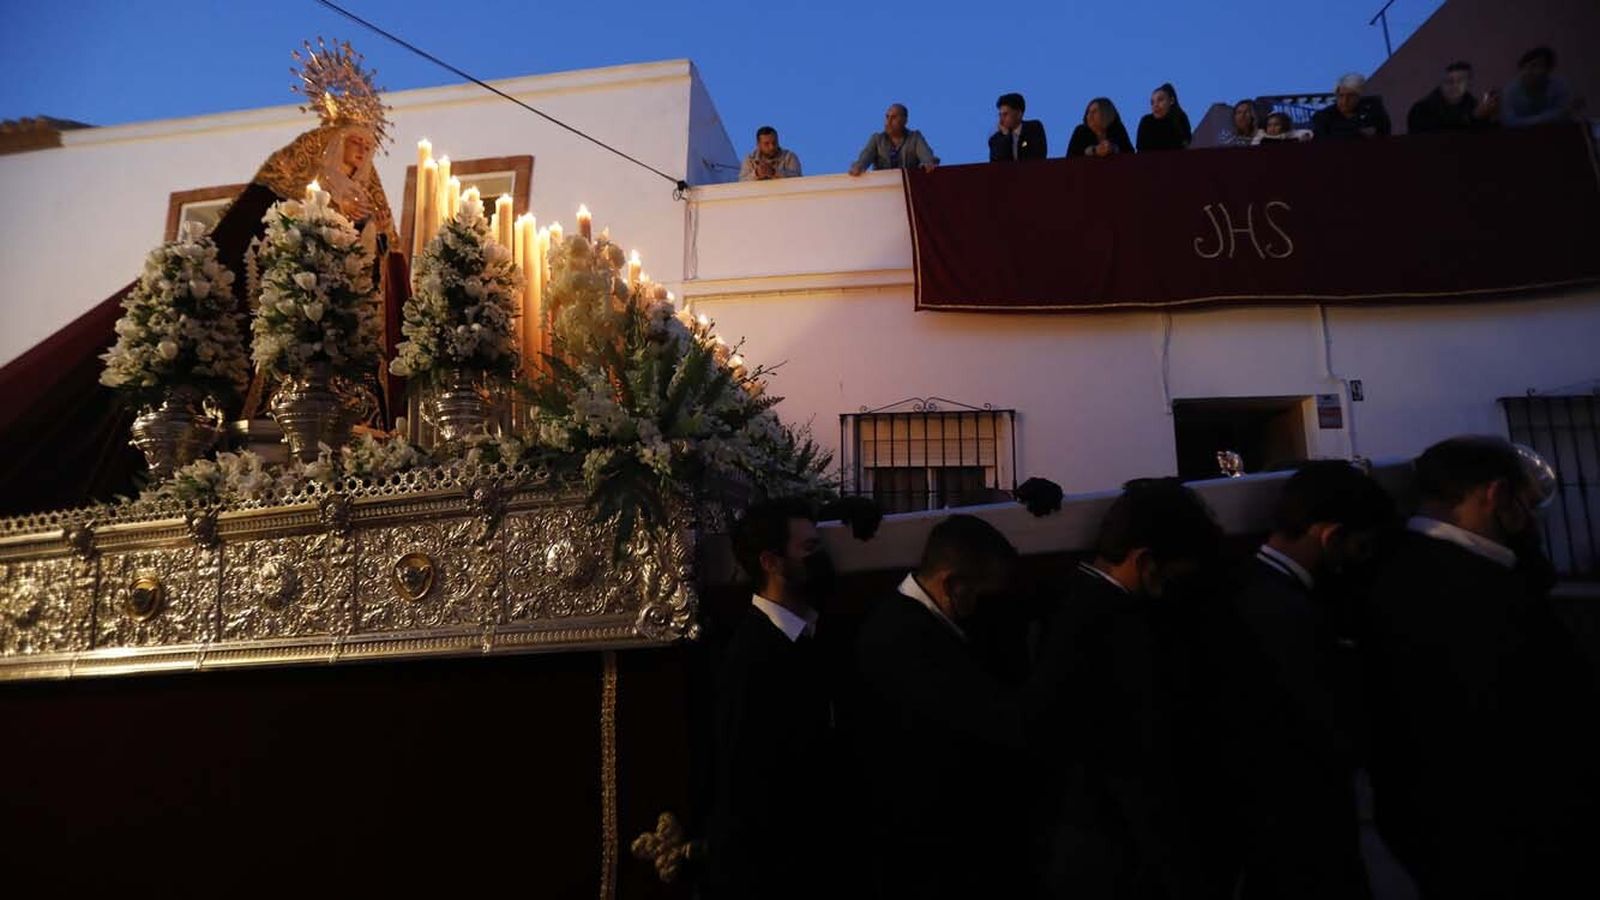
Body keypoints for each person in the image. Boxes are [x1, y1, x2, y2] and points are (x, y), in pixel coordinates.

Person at [1363, 436, 1600, 897]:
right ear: (1494, 494)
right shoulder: (1475, 589)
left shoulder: (1394, 570)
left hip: (1437, 829)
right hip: (1513, 840)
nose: (1531, 520)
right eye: (1527, 505)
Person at [1030, 478, 1223, 898]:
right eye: (1177, 576)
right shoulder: (1121, 627)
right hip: (1113, 849)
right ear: (1145, 560)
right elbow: (1137, 761)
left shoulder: (1070, 598)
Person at [1220, 461, 1394, 899]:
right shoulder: (1290, 612)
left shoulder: (1244, 587)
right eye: (1360, 547)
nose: (1361, 560)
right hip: (1299, 824)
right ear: (1330, 535)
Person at [854, 514, 1030, 900]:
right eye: (984, 594)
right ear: (952, 584)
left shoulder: (909, 625)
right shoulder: (902, 640)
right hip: (925, 856)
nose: (990, 607)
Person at [707, 498, 840, 899]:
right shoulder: (751, 656)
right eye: (810, 550)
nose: (821, 561)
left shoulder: (811, 635)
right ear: (771, 562)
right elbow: (746, 782)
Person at [1407, 61, 1499, 134]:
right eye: (1449, 81)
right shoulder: (1422, 109)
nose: (1454, 85)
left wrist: (1490, 116)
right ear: (1441, 83)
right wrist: (1473, 117)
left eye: (1460, 80)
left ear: (1469, 84)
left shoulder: (1473, 105)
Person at [1501, 46, 1582, 128]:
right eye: (1525, 67)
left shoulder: (1559, 86)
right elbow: (1510, 122)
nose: (1528, 71)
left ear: (1548, 69)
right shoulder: (1511, 91)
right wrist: (1550, 117)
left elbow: (1566, 116)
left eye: (1536, 65)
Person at [849, 103, 939, 175]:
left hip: (908, 187)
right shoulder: (877, 139)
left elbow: (926, 156)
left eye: (894, 117)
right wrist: (859, 166)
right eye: (887, 117)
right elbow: (866, 156)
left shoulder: (915, 138)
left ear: (905, 121)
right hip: (884, 188)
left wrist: (929, 163)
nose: (888, 122)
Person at [1311, 73, 1392, 140]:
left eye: (1351, 96)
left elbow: (1385, 134)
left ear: (1359, 96)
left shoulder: (1373, 110)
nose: (1345, 100)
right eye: (1341, 96)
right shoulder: (1323, 117)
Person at [1065, 97, 1135, 158]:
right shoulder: (1080, 131)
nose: (1089, 116)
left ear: (1107, 113)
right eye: (1088, 112)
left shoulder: (1118, 129)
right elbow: (1071, 157)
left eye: (1094, 111)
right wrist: (1094, 150)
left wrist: (1113, 148)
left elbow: (1130, 154)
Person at [989, 91, 1048, 161]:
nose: (1001, 120)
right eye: (1000, 115)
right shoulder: (995, 140)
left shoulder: (1034, 129)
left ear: (1019, 114)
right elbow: (998, 164)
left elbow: (1038, 156)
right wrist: (1006, 136)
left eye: (1005, 114)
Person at [1136, 82, 1192, 152]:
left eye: (1160, 100)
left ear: (1171, 101)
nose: (1155, 105)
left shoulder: (1180, 119)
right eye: (1152, 102)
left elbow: (1185, 145)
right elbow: (1140, 150)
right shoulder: (1146, 121)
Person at [737, 125, 802, 181]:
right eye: (766, 144)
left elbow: (797, 178)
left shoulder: (789, 157)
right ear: (758, 145)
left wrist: (774, 172)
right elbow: (742, 181)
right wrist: (757, 173)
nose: (771, 147)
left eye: (774, 142)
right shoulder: (750, 159)